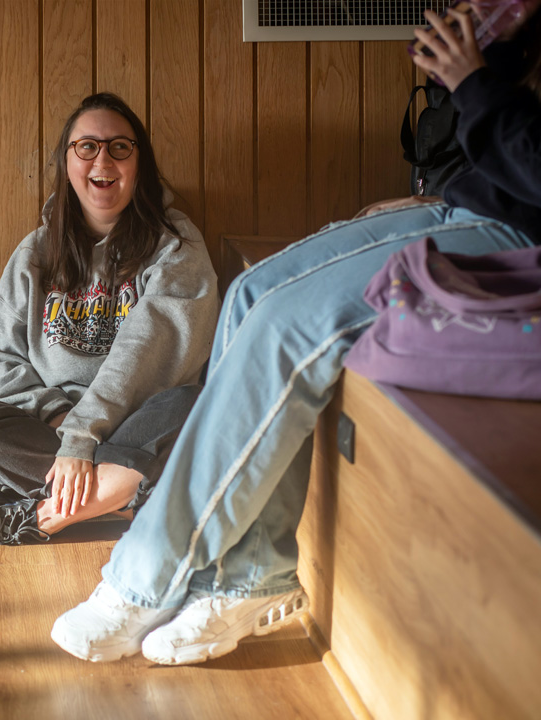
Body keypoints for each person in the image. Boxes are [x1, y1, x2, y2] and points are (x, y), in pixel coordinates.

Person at [52, 4, 541, 665]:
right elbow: (507, 154)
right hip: (475, 204)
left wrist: (475, 80)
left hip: (519, 239)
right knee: (251, 293)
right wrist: (489, 64)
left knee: (289, 324)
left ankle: (144, 576)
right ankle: (252, 576)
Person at [0, 92, 219, 545]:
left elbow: (148, 354)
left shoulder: (174, 244)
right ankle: (118, 498)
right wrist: (65, 427)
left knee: (191, 405)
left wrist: (85, 436)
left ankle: (45, 516)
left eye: (119, 147)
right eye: (87, 146)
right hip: (56, 429)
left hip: (137, 420)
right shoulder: (37, 251)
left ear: (138, 164)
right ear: (67, 162)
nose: (102, 158)